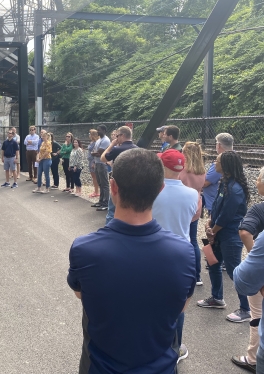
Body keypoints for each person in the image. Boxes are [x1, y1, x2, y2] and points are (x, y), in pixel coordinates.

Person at [67, 148, 195, 374]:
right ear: (160, 190)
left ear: (113, 187)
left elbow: (81, 294)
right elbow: (181, 306)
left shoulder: (84, 249)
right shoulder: (184, 252)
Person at [152, 149, 198, 363]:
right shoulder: (192, 194)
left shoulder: (152, 191)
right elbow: (192, 219)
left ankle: (154, 343)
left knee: (152, 299)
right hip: (182, 255)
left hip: (154, 251)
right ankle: (176, 347)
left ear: (164, 167)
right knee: (179, 304)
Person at [197, 151, 251, 323]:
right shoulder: (224, 182)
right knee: (213, 263)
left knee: (235, 271)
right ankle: (217, 298)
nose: (215, 162)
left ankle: (246, 308)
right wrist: (209, 223)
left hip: (229, 234)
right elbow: (217, 207)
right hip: (218, 232)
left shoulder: (235, 189)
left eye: (217, 160)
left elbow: (228, 216)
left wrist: (213, 230)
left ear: (226, 165)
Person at [231, 167, 264, 373]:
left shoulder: (259, 209)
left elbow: (244, 232)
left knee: (257, 315)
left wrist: (255, 258)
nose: (257, 181)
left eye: (259, 178)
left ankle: (251, 358)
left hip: (257, 276)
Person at [179, 142, 206, 286]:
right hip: (196, 206)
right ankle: (197, 275)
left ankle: (182, 270)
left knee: (180, 238)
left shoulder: (183, 169)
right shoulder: (201, 170)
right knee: (193, 241)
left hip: (181, 206)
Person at [100, 126, 137, 220]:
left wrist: (112, 145)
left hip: (118, 184)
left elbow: (103, 158)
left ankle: (110, 231)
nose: (116, 138)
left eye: (117, 136)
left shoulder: (117, 149)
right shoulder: (137, 149)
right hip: (133, 184)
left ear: (122, 135)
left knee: (112, 211)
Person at [203, 133, 234, 214]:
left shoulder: (221, 162)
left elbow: (205, 183)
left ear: (219, 145)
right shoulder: (235, 158)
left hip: (216, 203)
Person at [92, 125, 111, 210]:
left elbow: (99, 153)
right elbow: (95, 151)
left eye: (99, 130)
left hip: (102, 164)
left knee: (104, 184)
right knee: (100, 183)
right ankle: (101, 201)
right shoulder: (99, 140)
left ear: (103, 130)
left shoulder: (106, 140)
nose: (97, 131)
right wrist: (94, 153)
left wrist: (93, 153)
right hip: (97, 163)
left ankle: (106, 202)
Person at [87, 130, 100, 198]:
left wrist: (94, 162)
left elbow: (95, 152)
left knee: (95, 176)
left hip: (93, 160)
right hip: (90, 160)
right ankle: (95, 190)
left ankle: (96, 191)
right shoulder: (92, 142)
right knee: (93, 176)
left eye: (90, 134)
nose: (89, 135)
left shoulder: (95, 143)